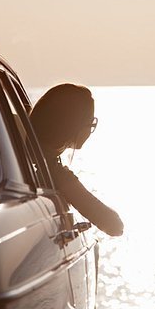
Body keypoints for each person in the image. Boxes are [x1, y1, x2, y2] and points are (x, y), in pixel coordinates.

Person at [30, 83, 123, 237]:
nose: (91, 129)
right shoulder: (54, 173)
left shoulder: (15, 149)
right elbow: (114, 226)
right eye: (91, 123)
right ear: (74, 126)